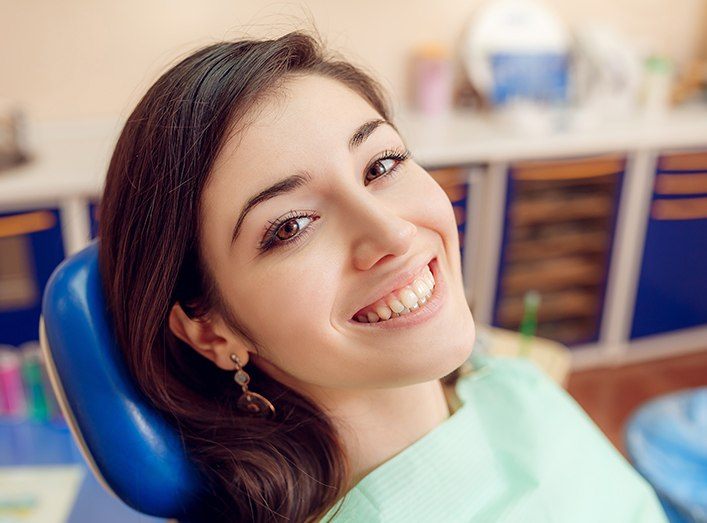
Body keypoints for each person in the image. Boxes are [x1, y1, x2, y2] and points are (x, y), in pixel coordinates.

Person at [97, 29, 668, 522]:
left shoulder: (508, 383)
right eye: (291, 226)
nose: (393, 234)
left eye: (381, 165)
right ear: (211, 331)